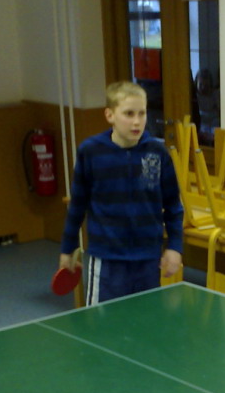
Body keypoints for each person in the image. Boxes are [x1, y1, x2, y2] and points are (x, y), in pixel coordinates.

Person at [59, 81, 184, 304]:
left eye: (142, 113)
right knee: (103, 323)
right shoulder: (90, 152)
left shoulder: (157, 152)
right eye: (128, 114)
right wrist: (67, 249)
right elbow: (77, 205)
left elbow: (173, 205)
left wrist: (175, 246)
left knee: (144, 321)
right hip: (107, 260)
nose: (137, 121)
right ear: (110, 115)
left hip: (148, 259)